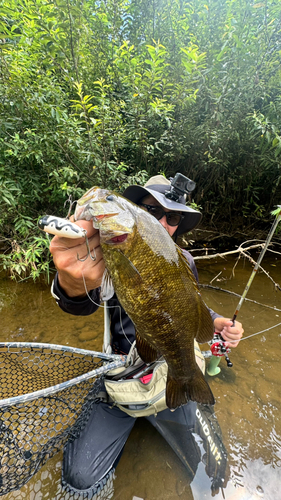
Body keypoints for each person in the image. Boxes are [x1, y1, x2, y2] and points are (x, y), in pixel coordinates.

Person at [49, 175, 244, 498]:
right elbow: (77, 303)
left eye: (173, 216)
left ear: (178, 225)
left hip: (171, 370)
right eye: (152, 211)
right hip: (121, 378)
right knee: (79, 477)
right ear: (136, 213)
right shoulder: (111, 255)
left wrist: (217, 321)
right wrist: (71, 283)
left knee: (211, 463)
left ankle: (187, 393)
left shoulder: (185, 261)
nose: (163, 222)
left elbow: (188, 305)